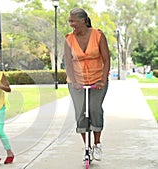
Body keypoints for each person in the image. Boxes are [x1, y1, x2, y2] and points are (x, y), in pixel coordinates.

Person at [64, 8, 110, 161]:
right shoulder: (68, 39)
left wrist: (103, 80)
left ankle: (97, 144)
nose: (71, 24)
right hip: (76, 82)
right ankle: (87, 147)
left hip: (97, 80)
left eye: (73, 21)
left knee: (94, 110)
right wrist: (74, 81)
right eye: (70, 21)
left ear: (83, 21)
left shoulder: (98, 35)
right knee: (81, 113)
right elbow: (68, 63)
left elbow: (106, 59)